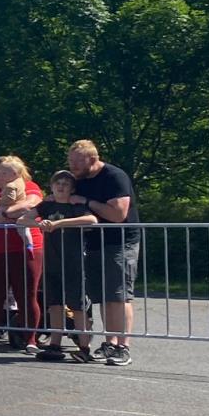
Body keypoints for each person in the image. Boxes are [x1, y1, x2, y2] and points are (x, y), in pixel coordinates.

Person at [66, 139, 141, 367]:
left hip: (120, 243)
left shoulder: (114, 176)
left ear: (93, 159)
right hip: (94, 244)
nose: (73, 168)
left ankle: (123, 347)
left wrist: (87, 201)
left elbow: (118, 214)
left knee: (119, 296)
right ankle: (109, 342)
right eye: (71, 163)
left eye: (78, 162)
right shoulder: (80, 180)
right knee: (103, 297)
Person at [21, 169, 97, 362]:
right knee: (55, 304)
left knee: (77, 306)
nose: (61, 187)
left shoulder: (75, 205)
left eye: (65, 184)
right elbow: (23, 219)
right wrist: (41, 224)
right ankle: (55, 343)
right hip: (52, 261)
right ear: (52, 186)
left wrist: (60, 223)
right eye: (58, 184)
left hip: (73, 261)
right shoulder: (47, 205)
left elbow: (91, 219)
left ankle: (84, 346)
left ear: (71, 189)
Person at [0, 157, 44, 352]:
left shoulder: (29, 186)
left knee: (27, 294)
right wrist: (9, 215)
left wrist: (2, 213)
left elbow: (31, 204)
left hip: (26, 249)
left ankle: (30, 339)